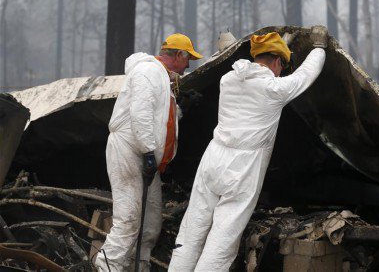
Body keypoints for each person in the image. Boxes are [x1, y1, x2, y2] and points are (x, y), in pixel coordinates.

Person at [168, 28, 327, 271]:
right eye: (281, 66)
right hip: (242, 169)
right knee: (221, 243)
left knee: (190, 234)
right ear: (276, 62)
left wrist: (281, 45)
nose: (281, 72)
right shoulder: (275, 90)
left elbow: (255, 69)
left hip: (213, 160)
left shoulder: (228, 80)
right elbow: (307, 74)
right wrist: (319, 48)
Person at [95, 33, 202, 271]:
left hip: (144, 156)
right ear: (178, 55)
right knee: (129, 219)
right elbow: (140, 114)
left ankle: (139, 266)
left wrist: (181, 108)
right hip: (130, 151)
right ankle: (106, 267)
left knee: (150, 223)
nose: (188, 66)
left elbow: (159, 120)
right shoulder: (148, 72)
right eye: (188, 59)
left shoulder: (163, 78)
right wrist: (148, 152)